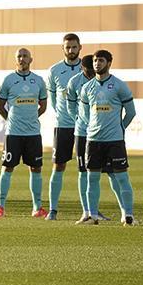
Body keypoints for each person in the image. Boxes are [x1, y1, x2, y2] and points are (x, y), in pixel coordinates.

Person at [79, 50, 137, 226]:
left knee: (122, 177)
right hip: (93, 140)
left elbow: (131, 112)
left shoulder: (119, 85)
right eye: (95, 60)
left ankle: (129, 216)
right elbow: (85, 114)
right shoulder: (87, 88)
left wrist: (120, 128)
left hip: (114, 141)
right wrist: (93, 128)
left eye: (101, 60)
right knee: (92, 178)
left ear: (109, 63)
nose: (97, 63)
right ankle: (93, 216)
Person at [0, 48, 48, 218]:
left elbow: (43, 106)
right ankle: (1, 207)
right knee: (7, 167)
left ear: (31, 59)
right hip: (13, 133)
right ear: (15, 59)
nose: (22, 59)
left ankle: (37, 207)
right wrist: (11, 120)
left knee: (36, 168)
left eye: (25, 56)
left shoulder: (38, 81)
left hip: (33, 133)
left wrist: (31, 118)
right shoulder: (7, 80)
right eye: (19, 56)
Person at [45, 33, 83, 220]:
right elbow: (53, 98)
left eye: (74, 47)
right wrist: (63, 114)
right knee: (58, 166)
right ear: (63, 48)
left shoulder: (88, 68)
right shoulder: (54, 70)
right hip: (63, 126)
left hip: (85, 127)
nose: (71, 50)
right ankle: (53, 210)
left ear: (80, 48)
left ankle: (89, 210)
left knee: (86, 169)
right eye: (68, 47)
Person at [66, 54, 97, 223]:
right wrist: (78, 119)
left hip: (100, 133)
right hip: (82, 132)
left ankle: (95, 210)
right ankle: (86, 211)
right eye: (88, 70)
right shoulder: (74, 82)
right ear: (82, 68)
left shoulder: (101, 81)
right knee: (83, 171)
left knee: (106, 173)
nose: (91, 73)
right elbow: (70, 106)